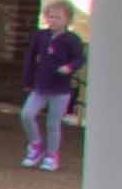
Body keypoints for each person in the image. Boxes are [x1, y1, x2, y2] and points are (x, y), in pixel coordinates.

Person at [20, 10, 86, 171]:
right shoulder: (41, 36)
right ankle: (36, 144)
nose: (53, 20)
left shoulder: (72, 39)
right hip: (41, 85)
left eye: (58, 17)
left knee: (53, 123)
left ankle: (51, 155)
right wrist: (28, 79)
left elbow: (80, 58)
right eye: (50, 17)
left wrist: (69, 67)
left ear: (67, 20)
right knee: (27, 114)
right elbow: (31, 57)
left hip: (60, 87)